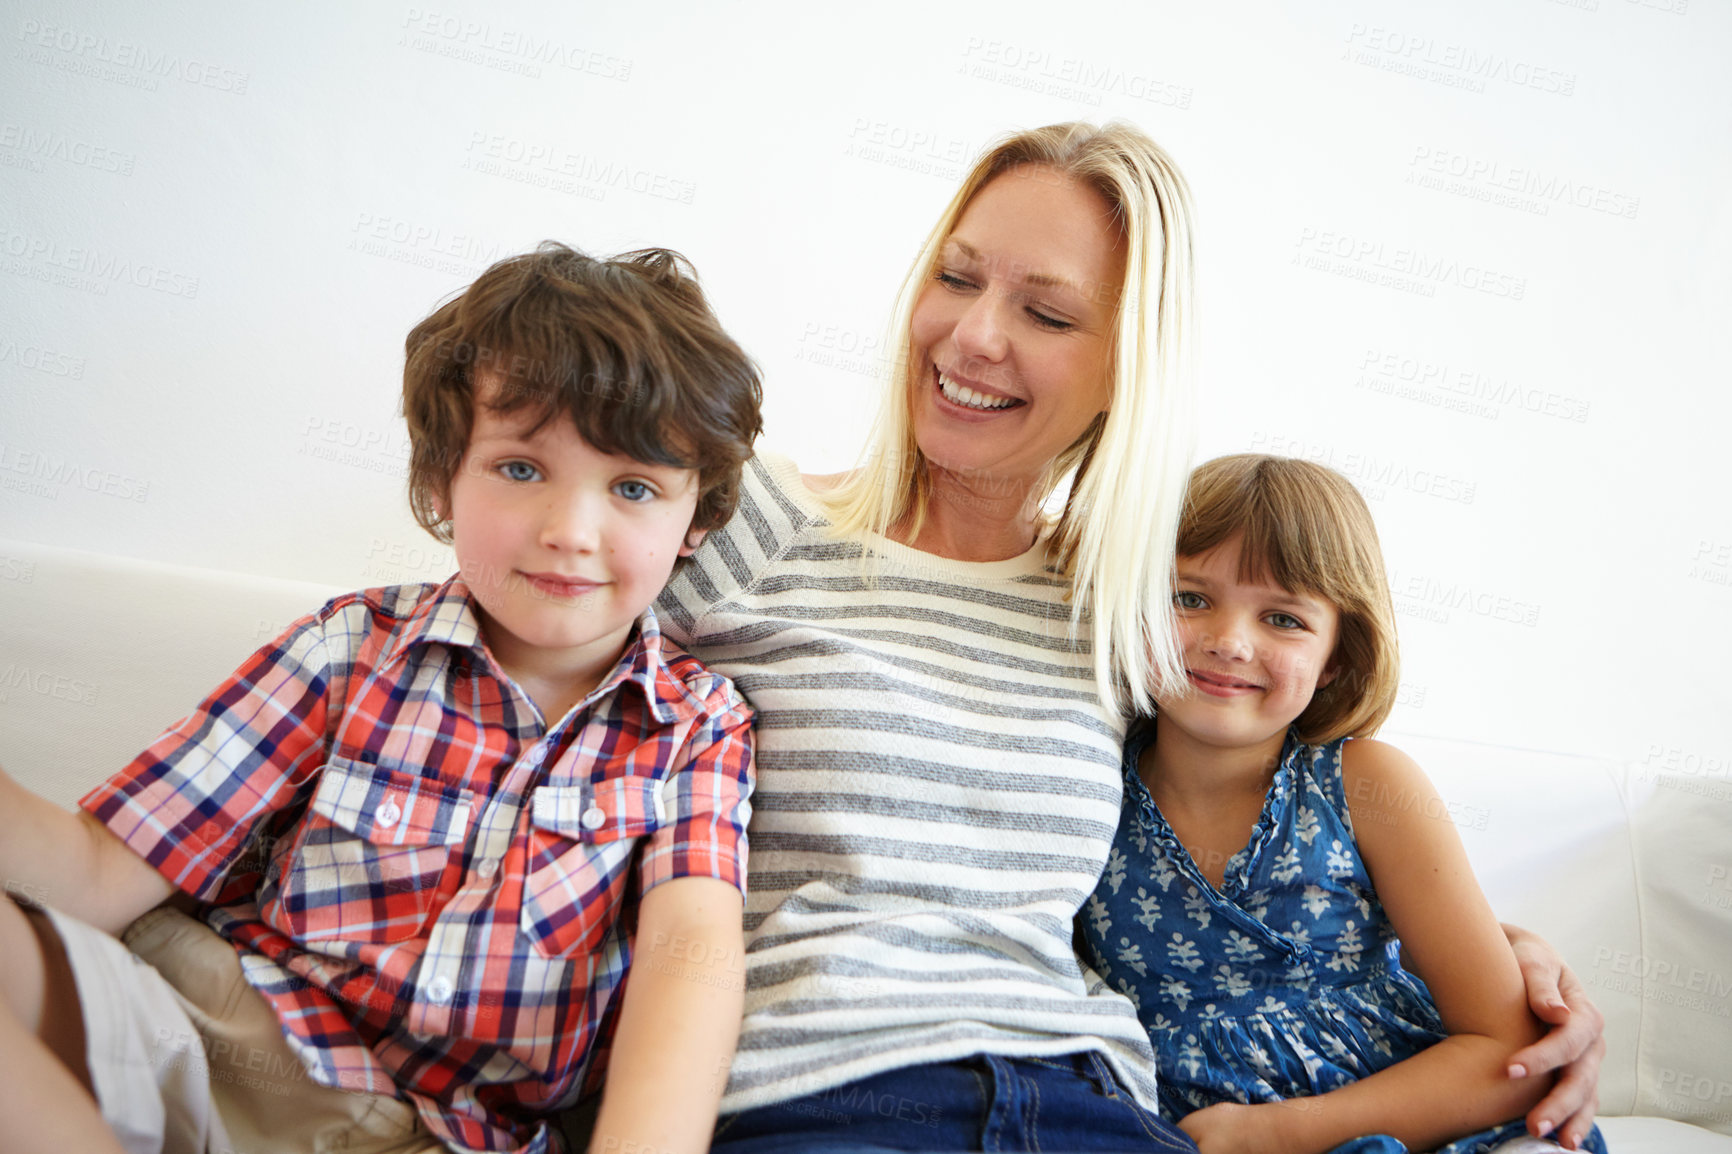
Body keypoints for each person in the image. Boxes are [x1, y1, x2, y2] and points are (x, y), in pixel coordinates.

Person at [648, 122, 1606, 1153]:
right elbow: (528, 721)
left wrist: (1508, 965)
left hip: (1090, 1097)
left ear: (1127, 367)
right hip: (825, 1089)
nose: (973, 336)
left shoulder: (1125, 606)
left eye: (1047, 312)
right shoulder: (743, 524)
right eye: (957, 277)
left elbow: (1255, 797)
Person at [0, 243, 763, 1154]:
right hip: (204, 1025)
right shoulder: (351, 649)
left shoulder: (697, 728)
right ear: (445, 475)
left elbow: (691, 963)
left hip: (432, 1134)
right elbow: (93, 875)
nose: (570, 532)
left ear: (698, 523)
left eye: (633, 488)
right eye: (521, 469)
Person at [1080, 454, 1610, 1154]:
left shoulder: (1366, 784)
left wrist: (1271, 1134)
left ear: (1336, 657)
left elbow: (1508, 1053)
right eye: (1189, 598)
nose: (1229, 642)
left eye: (1283, 618)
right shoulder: (1085, 779)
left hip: (1404, 1118)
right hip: (1174, 1129)